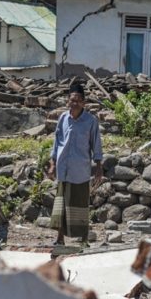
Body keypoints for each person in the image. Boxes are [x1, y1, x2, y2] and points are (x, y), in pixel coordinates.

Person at [47, 83, 103, 246]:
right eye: (72, 100)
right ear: (67, 101)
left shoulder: (91, 121)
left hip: (80, 170)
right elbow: (56, 143)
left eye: (78, 100)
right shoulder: (63, 118)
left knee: (80, 206)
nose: (75, 103)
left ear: (84, 103)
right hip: (63, 169)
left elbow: (96, 145)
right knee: (61, 205)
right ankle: (59, 239)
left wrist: (99, 167)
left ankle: (83, 240)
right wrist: (52, 163)